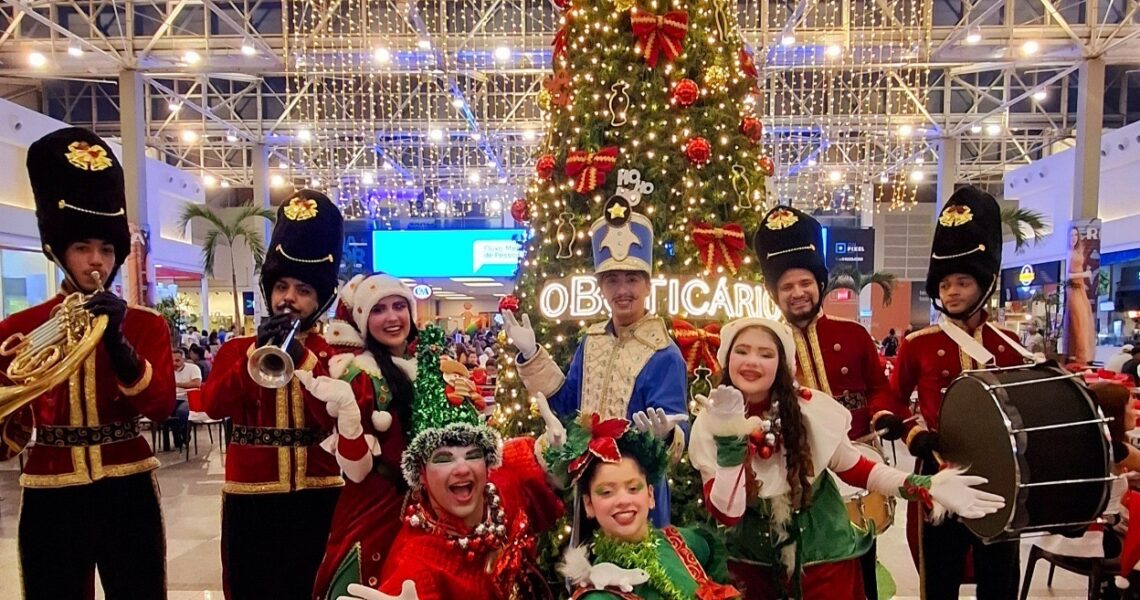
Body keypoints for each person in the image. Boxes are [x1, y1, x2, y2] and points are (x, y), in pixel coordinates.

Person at [688, 317, 1003, 599]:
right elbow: (728, 513)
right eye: (742, 351)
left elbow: (860, 470)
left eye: (766, 354)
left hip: (824, 563)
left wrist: (926, 485)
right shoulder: (708, 424)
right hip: (749, 565)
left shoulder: (809, 411)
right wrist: (729, 434)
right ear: (727, 358)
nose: (752, 362)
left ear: (782, 364)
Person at [0, 127, 175, 599]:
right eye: (82, 248)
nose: (96, 261)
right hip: (50, 486)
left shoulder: (145, 324)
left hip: (128, 484)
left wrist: (118, 343)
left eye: (107, 249)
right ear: (58, 250)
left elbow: (160, 407)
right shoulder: (19, 328)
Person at [870, 185, 1028, 600]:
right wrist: (912, 433)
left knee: (999, 578)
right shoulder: (918, 344)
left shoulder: (1011, 345)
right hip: (939, 470)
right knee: (939, 576)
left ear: (985, 283)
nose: (952, 291)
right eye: (944, 284)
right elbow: (890, 397)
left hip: (1000, 475)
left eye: (962, 281)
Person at [501, 201, 688, 526]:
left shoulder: (665, 354)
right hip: (590, 488)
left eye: (632, 279)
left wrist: (667, 436)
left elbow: (677, 429)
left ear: (647, 285)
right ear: (600, 286)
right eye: (612, 280)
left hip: (637, 495)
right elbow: (567, 406)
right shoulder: (592, 341)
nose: (622, 290)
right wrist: (532, 355)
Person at [337, 334, 565, 600]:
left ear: (488, 463)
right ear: (421, 474)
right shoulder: (415, 564)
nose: (462, 469)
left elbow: (530, 465)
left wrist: (555, 452)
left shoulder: (504, 485)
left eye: (473, 455)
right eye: (444, 458)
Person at [202, 190, 345, 600]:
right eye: (281, 286)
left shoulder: (335, 355)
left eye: (303, 290)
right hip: (250, 497)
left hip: (320, 494)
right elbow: (213, 405)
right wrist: (253, 355)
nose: (289, 299)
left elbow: (335, 417)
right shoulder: (236, 350)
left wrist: (304, 361)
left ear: (321, 299)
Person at [751, 205, 894, 597]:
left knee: (862, 570)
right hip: (796, 484)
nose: (797, 293)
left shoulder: (854, 335)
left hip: (856, 469)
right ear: (774, 293)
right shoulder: (766, 346)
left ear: (820, 283)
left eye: (805, 283)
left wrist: (882, 413)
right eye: (786, 287)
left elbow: (879, 388)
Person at [301, 273, 422, 599]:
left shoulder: (426, 367)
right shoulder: (361, 376)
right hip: (376, 506)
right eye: (379, 309)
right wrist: (350, 418)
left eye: (399, 306)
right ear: (363, 321)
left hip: (427, 506)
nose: (392, 317)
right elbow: (356, 471)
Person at [546, 413, 741, 599]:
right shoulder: (599, 594)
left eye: (633, 488)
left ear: (650, 495)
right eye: (607, 492)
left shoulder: (683, 542)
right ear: (589, 505)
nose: (623, 500)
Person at [1066, 226, 1096, 365]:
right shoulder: (1067, 253)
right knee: (1078, 320)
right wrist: (1083, 274)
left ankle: (1083, 356)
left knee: (1084, 320)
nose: (1073, 238)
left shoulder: (1078, 251)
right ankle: (1079, 355)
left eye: (1075, 235)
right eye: (1071, 235)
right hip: (1073, 289)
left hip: (1080, 288)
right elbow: (1068, 275)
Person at [172, 346, 202, 447]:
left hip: (188, 398)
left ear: (184, 359)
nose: (174, 363)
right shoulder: (168, 370)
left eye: (177, 361)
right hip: (173, 398)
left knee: (181, 412)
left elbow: (197, 384)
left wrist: (176, 384)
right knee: (164, 411)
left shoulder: (193, 368)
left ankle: (183, 434)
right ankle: (176, 436)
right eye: (172, 361)